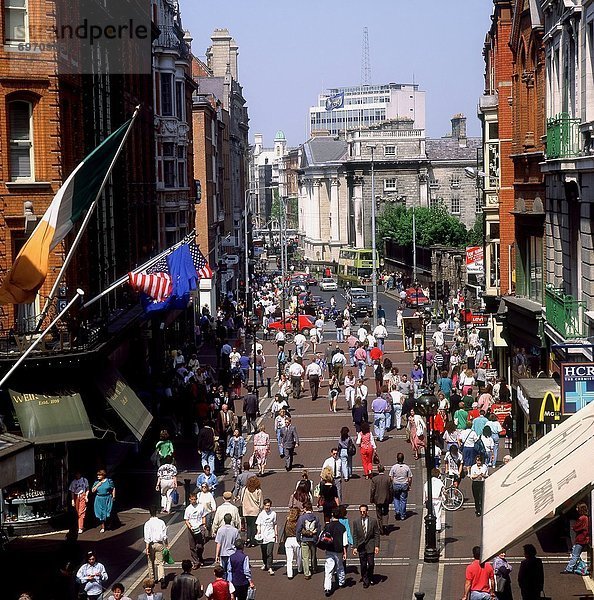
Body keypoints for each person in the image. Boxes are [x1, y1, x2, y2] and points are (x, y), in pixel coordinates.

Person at [351, 504, 380, 588]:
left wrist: (377, 546)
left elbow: (376, 534)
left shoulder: (373, 521)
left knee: (371, 564)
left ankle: (370, 576)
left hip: (370, 545)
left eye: (364, 511)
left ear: (367, 511)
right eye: (361, 512)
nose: (362, 513)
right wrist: (355, 547)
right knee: (363, 565)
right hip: (361, 547)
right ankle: (365, 580)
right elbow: (355, 535)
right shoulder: (356, 522)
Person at [320, 507, 348, 597]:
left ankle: (327, 588)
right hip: (338, 549)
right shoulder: (342, 527)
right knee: (340, 566)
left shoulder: (328, 526)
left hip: (329, 549)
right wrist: (345, 552)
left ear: (332, 515)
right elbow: (344, 542)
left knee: (328, 569)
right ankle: (341, 582)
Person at [562, 502, 590, 574]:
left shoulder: (582, 518)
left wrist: (573, 527)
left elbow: (577, 527)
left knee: (575, 555)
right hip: (584, 539)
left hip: (580, 539)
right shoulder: (586, 517)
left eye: (578, 508)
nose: (576, 509)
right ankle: (575, 567)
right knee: (576, 554)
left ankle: (569, 568)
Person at [143, 506, 168, 586]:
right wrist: (166, 545)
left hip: (151, 544)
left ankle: (152, 579)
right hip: (159, 543)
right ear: (157, 512)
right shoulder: (161, 522)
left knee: (151, 562)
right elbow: (164, 535)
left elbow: (147, 537)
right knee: (160, 562)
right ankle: (162, 578)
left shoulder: (147, 524)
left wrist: (147, 548)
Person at [296, 501, 321, 580]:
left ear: (305, 508)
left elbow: (298, 529)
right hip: (313, 539)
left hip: (305, 539)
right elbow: (319, 528)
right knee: (313, 555)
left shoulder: (302, 518)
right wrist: (316, 537)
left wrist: (298, 539)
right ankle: (314, 567)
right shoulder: (316, 517)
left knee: (305, 557)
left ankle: (307, 573)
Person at [185, 492, 207, 569]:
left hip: (200, 527)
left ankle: (200, 557)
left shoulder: (201, 507)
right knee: (192, 546)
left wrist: (204, 525)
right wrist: (190, 527)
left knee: (200, 546)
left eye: (195, 499)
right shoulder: (188, 509)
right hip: (191, 528)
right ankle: (195, 562)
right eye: (192, 499)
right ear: (190, 500)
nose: (193, 501)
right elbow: (186, 520)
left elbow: (204, 516)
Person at [256, 498, 278, 575]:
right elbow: (258, 524)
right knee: (264, 552)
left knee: (269, 552)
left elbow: (275, 524)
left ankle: (270, 567)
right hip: (263, 536)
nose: (267, 507)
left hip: (271, 535)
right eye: (266, 505)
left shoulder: (273, 514)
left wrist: (276, 534)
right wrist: (258, 532)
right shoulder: (261, 514)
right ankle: (265, 563)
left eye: (268, 505)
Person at [369, 464, 393, 535]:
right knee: (385, 512)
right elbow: (391, 489)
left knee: (379, 514)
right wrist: (391, 498)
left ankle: (381, 527)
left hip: (378, 499)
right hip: (386, 498)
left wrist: (372, 499)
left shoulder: (374, 479)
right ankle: (385, 525)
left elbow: (372, 490)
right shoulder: (388, 479)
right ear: (384, 469)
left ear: (378, 470)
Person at [240, 476, 263, 547]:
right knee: (254, 525)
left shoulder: (245, 489)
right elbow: (261, 502)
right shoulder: (258, 490)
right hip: (255, 510)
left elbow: (241, 499)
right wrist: (260, 508)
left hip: (246, 510)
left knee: (248, 525)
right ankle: (253, 540)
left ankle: (248, 539)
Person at [281, 507, 303, 579]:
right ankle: (300, 569)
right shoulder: (299, 521)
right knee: (299, 556)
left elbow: (284, 531)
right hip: (296, 540)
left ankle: (289, 574)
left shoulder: (287, 521)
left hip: (288, 540)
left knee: (289, 559)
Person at [390, 452, 412, 521]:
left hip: (396, 484)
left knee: (396, 498)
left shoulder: (394, 467)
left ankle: (397, 511)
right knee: (403, 500)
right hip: (404, 484)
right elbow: (410, 477)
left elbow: (391, 476)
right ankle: (402, 515)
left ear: (397, 459)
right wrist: (409, 485)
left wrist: (393, 482)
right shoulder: (406, 467)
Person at [423, 467, 444, 532]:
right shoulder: (439, 482)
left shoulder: (427, 482)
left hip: (430, 499)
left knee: (431, 513)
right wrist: (444, 498)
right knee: (438, 513)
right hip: (437, 499)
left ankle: (431, 526)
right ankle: (438, 527)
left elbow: (425, 491)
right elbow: (443, 490)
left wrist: (424, 500)